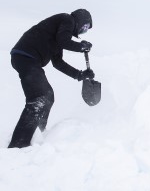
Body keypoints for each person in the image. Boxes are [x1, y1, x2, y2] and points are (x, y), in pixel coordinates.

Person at [8, 9, 95, 148]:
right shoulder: (67, 19)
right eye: (84, 28)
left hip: (28, 60)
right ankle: (18, 144)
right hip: (26, 56)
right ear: (80, 20)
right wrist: (81, 46)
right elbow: (64, 41)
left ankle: (40, 133)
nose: (82, 32)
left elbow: (58, 63)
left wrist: (80, 75)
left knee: (48, 95)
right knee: (39, 98)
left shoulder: (59, 35)